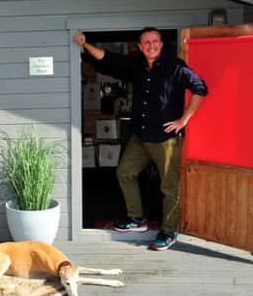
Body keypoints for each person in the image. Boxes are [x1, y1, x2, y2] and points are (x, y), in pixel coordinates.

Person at [73, 28, 208, 251]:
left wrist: (184, 120)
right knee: (124, 172)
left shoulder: (175, 66)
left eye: (155, 41)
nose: (151, 45)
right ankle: (136, 219)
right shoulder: (137, 64)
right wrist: (85, 44)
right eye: (146, 42)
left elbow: (200, 88)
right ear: (139, 45)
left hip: (166, 139)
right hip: (141, 136)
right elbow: (109, 58)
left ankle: (168, 230)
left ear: (161, 44)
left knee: (169, 188)